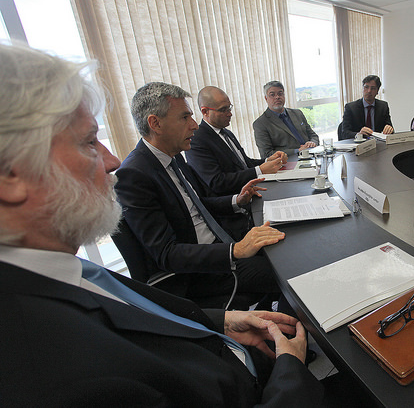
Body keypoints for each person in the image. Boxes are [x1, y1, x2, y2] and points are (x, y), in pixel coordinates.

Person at [0, 43, 322, 406]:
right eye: (90, 142)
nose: (110, 160)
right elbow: (165, 254)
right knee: (293, 264)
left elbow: (196, 211)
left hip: (225, 336)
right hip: (210, 291)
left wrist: (221, 321)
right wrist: (291, 369)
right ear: (11, 174)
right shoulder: (50, 360)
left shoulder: (74, 273)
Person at [115, 82, 285, 306]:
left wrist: (237, 200)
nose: (194, 126)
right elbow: (166, 254)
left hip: (219, 245)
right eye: (185, 117)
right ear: (155, 123)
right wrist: (236, 250)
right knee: (285, 272)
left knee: (284, 249)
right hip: (199, 272)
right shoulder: (134, 175)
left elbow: (197, 206)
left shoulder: (173, 155)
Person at [186, 86, 288, 194]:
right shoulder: (196, 140)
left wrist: (268, 160)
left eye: (229, 108)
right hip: (234, 200)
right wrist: (260, 170)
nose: (230, 113)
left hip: (252, 190)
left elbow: (244, 163)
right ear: (205, 111)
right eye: (223, 110)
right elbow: (217, 182)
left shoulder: (226, 133)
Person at [253, 81, 319, 159]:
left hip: (311, 155)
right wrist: (297, 150)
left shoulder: (297, 113)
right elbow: (266, 154)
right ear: (266, 98)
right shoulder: (260, 123)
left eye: (280, 93)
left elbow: (313, 135)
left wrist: (312, 142)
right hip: (289, 162)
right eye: (272, 95)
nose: (277, 97)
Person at [341, 75, 394, 139]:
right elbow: (344, 133)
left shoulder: (383, 106)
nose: (369, 91)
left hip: (377, 143)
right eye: (366, 87)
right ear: (362, 88)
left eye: (373, 88)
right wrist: (359, 134)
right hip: (358, 144)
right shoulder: (351, 107)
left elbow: (390, 128)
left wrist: (389, 129)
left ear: (377, 91)